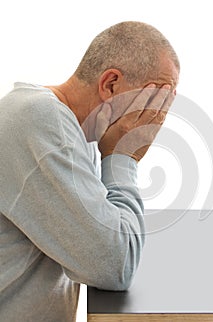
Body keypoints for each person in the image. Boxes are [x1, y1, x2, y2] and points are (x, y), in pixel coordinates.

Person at [0, 21, 179, 321]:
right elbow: (115, 264)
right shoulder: (42, 122)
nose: (156, 118)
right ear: (110, 84)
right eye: (154, 99)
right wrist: (123, 157)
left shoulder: (68, 131)